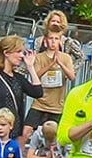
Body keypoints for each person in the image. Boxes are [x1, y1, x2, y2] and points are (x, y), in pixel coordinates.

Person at [0, 35, 43, 148]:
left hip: (12, 132)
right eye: (18, 51)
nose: (22, 56)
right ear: (6, 53)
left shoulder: (18, 78)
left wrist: (30, 67)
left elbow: (37, 92)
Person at [27, 12, 79, 144]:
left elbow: (74, 73)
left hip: (58, 100)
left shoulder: (67, 50)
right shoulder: (39, 44)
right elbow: (34, 72)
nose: (53, 42)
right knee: (27, 129)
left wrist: (64, 66)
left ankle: (54, 154)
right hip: (40, 98)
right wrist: (49, 65)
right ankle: (20, 156)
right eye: (53, 21)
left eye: (58, 21)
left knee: (56, 132)